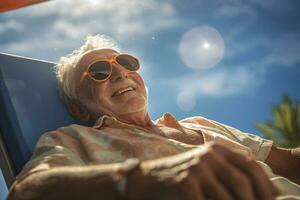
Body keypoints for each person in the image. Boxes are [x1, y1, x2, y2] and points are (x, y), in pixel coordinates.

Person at [8, 35, 300, 200]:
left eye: (125, 62)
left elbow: (288, 163)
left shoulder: (200, 124)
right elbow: (28, 191)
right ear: (79, 108)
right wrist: (146, 179)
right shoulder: (73, 139)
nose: (120, 72)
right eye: (99, 70)